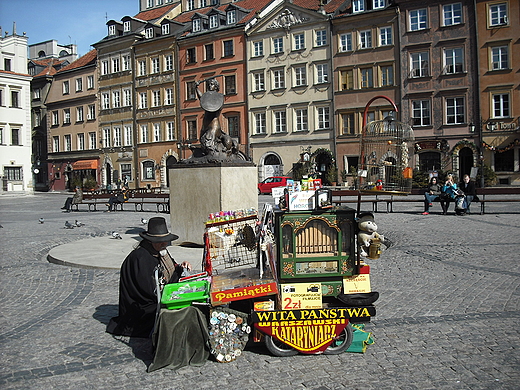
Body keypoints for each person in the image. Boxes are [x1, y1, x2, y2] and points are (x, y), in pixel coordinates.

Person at [106, 217, 192, 338]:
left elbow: (171, 268)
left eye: (166, 240)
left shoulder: (160, 251)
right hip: (141, 308)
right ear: (150, 241)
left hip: (153, 297)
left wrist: (181, 267)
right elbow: (150, 291)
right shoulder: (141, 258)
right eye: (160, 241)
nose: (164, 244)